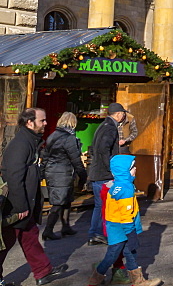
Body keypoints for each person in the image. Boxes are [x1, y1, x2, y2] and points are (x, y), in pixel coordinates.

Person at [0, 108, 68, 286]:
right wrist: (21, 206)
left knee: (29, 236)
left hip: (24, 203)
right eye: (42, 120)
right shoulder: (20, 144)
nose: (45, 123)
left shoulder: (31, 141)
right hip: (15, 205)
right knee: (5, 242)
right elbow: (14, 177)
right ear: (30, 122)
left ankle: (43, 272)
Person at [89, 155, 160, 286]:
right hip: (122, 229)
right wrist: (131, 234)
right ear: (125, 171)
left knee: (129, 253)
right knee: (113, 254)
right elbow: (126, 215)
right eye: (133, 167)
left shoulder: (117, 186)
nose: (135, 169)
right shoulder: (126, 189)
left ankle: (138, 281)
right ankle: (95, 279)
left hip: (115, 226)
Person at [88, 102, 127, 245]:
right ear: (118, 114)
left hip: (98, 171)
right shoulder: (110, 127)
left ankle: (95, 233)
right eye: (123, 113)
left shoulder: (103, 126)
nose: (124, 116)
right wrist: (112, 169)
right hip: (103, 174)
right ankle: (98, 233)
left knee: (100, 205)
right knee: (103, 205)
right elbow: (105, 150)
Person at [43, 111, 86, 239]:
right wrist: (83, 176)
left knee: (66, 200)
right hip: (62, 173)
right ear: (73, 123)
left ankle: (66, 226)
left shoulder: (52, 136)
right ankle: (48, 230)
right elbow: (75, 159)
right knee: (59, 202)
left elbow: (45, 155)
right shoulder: (69, 138)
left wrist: (42, 172)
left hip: (52, 171)